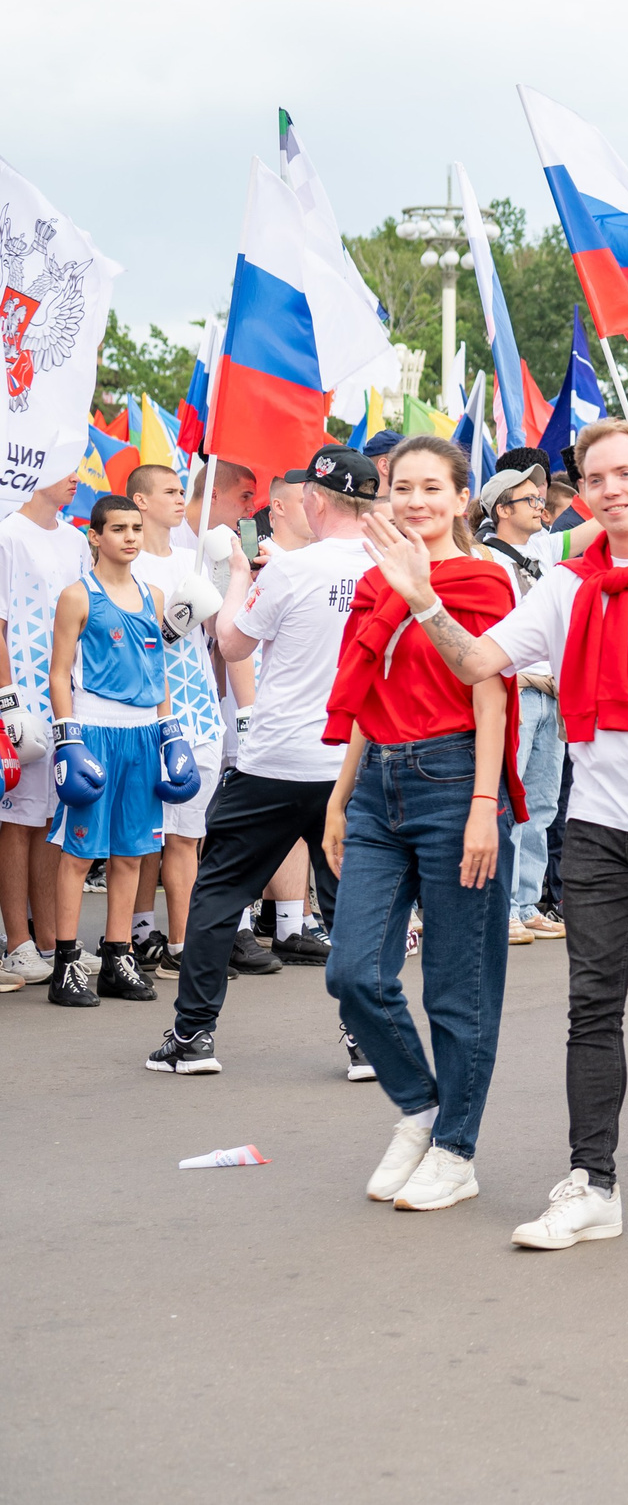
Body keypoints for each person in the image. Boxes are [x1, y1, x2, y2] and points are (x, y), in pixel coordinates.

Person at [371, 419, 628, 1249]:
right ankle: (594, 1180)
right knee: (592, 1005)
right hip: (595, 826)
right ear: (579, 493)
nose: (612, 488)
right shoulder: (563, 585)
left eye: (627, 472)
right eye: (595, 478)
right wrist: (423, 599)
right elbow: (481, 663)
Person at [317, 436, 521, 1213]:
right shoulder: (373, 580)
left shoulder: (485, 576)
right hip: (377, 785)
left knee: (458, 988)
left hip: (454, 780)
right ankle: (422, 1106)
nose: (416, 500)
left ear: (463, 499)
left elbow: (491, 690)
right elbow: (369, 692)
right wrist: (340, 795)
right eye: (403, 487)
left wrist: (482, 804)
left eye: (433, 487)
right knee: (353, 973)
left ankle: (457, 1150)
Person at [149, 446, 378, 1078]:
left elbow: (232, 641)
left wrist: (242, 573)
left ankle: (193, 1036)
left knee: (219, 891)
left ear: (316, 500)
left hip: (277, 757)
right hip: (352, 759)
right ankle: (366, 1040)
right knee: (353, 903)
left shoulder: (290, 570)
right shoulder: (389, 567)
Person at [41, 494, 198, 1007]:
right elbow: (58, 674)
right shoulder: (77, 596)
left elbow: (159, 672)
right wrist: (69, 737)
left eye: (135, 527)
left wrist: (169, 729)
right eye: (118, 528)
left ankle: (117, 955)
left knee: (134, 850)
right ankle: (67, 961)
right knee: (80, 853)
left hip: (142, 734)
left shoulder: (153, 595)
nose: (131, 536)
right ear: (96, 535)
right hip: (95, 731)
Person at [475, 447, 604, 944]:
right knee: (509, 801)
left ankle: (525, 902)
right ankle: (499, 906)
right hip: (514, 691)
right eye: (528, 498)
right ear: (500, 509)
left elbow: (596, 527)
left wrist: (601, 478)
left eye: (541, 496)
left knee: (542, 804)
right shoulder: (481, 556)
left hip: (554, 694)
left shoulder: (546, 549)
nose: (540, 505)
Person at [124, 464, 227, 981]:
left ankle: (184, 943)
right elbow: (134, 640)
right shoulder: (127, 563)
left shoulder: (193, 560)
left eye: (183, 490)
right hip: (146, 711)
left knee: (188, 833)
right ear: (140, 502)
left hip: (200, 711)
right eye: (169, 491)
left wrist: (231, 570)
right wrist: (171, 622)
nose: (180, 498)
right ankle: (143, 934)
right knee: (145, 833)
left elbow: (227, 634)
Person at [0, 466, 91, 989]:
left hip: (66, 696)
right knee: (19, 820)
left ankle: (55, 942)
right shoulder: (9, 534)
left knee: (55, 817)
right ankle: (17, 943)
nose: (75, 478)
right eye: (64, 469)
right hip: (24, 698)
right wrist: (8, 699)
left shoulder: (77, 539)